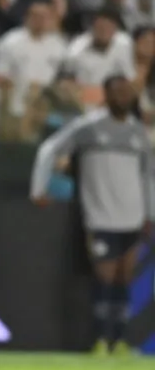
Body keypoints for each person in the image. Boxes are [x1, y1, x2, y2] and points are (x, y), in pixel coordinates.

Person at [31, 75, 155, 355]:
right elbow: (50, 149)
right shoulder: (88, 127)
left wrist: (150, 213)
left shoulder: (138, 132)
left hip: (133, 216)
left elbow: (148, 175)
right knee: (105, 277)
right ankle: (100, 339)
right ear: (106, 96)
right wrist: (39, 187)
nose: (123, 97)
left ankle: (119, 340)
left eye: (126, 92)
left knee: (124, 278)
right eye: (117, 92)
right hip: (101, 215)